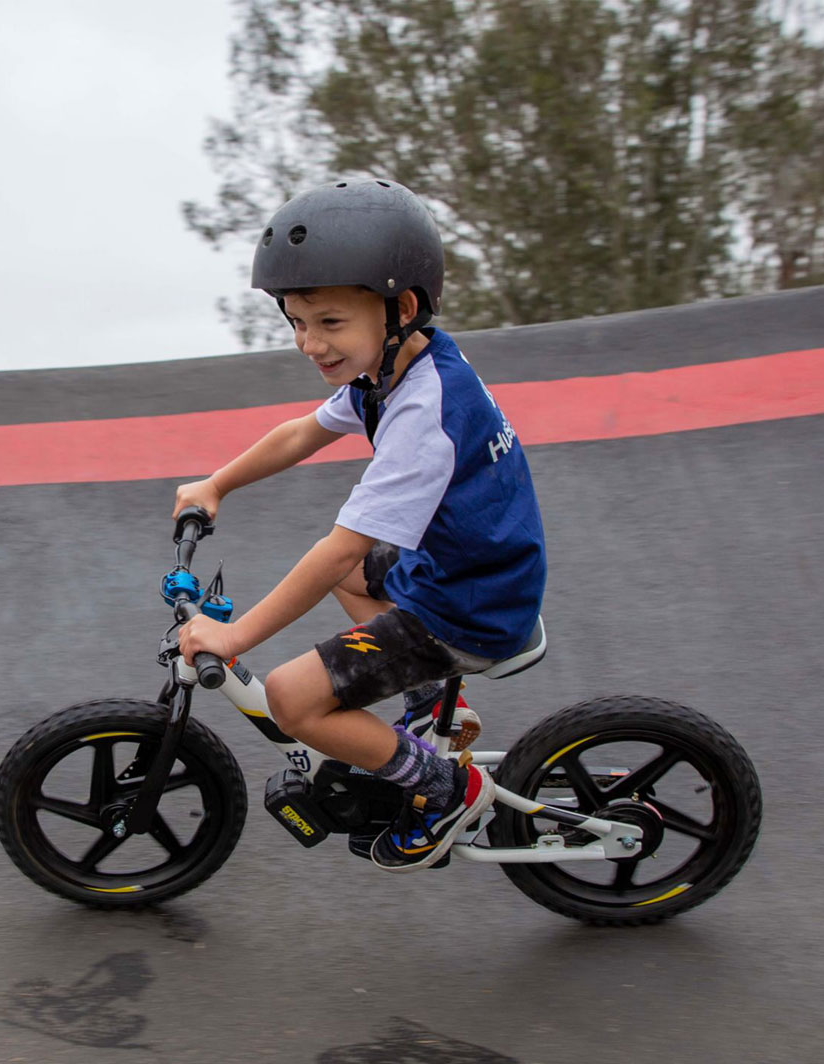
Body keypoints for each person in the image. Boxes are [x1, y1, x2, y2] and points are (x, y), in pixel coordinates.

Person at [173, 179, 546, 872]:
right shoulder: (402, 366)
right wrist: (217, 483)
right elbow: (303, 433)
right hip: (471, 571)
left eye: (330, 323)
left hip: (466, 607)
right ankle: (435, 708)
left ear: (399, 307)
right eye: (295, 321)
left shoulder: (422, 417)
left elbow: (336, 548)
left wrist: (235, 636)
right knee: (352, 569)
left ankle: (443, 791)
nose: (308, 343)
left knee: (291, 696)